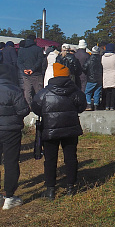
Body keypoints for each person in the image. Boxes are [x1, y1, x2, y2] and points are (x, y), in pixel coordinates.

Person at [31, 63, 87, 200]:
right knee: (71, 157)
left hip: (50, 130)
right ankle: (70, 187)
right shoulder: (76, 91)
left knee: (50, 159)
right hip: (71, 129)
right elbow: (81, 107)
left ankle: (50, 190)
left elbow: (35, 107)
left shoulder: (44, 93)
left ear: (54, 75)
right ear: (68, 75)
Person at [0, 64, 30, 210]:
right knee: (11, 162)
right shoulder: (14, 90)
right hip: (11, 130)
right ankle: (9, 196)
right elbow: (24, 110)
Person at [17, 35, 45, 106]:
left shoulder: (21, 50)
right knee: (39, 91)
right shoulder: (38, 49)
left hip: (25, 74)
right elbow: (40, 60)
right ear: (35, 40)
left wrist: (24, 70)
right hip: (36, 73)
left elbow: (19, 62)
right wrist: (32, 69)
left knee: (27, 91)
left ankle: (29, 107)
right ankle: (39, 106)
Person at [101, 43, 115, 110]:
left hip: (106, 75)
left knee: (108, 92)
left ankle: (107, 105)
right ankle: (112, 105)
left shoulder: (103, 57)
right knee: (114, 91)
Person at [82, 46, 103, 111]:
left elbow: (84, 68)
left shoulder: (89, 59)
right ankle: (96, 105)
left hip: (91, 78)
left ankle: (88, 105)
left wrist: (87, 73)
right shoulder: (101, 59)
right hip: (99, 78)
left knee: (88, 92)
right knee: (97, 92)